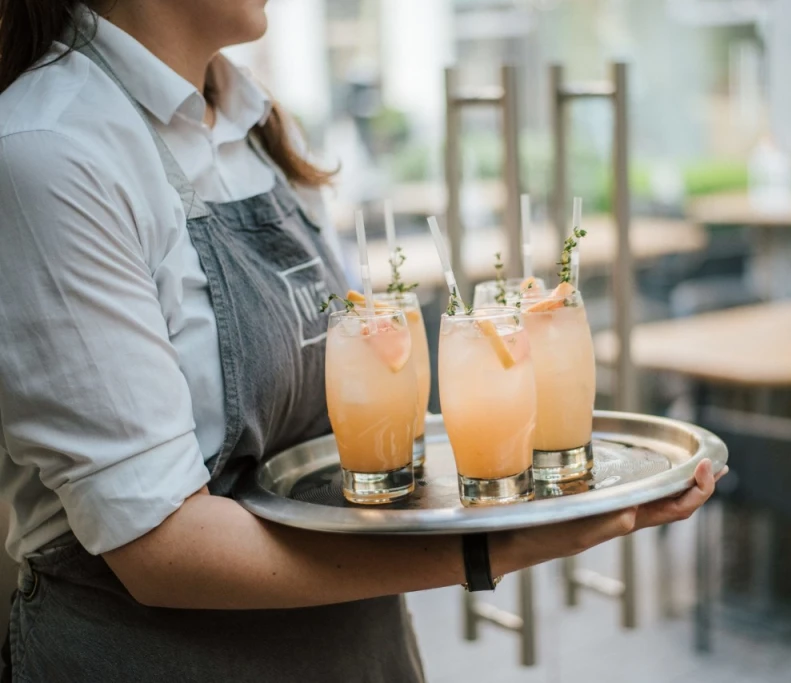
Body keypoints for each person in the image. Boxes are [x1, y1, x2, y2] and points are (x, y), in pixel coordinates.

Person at [0, 1, 721, 681]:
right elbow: (160, 549)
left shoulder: (256, 122)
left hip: (354, 648)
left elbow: (364, 383)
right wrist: (502, 542)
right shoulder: (48, 151)